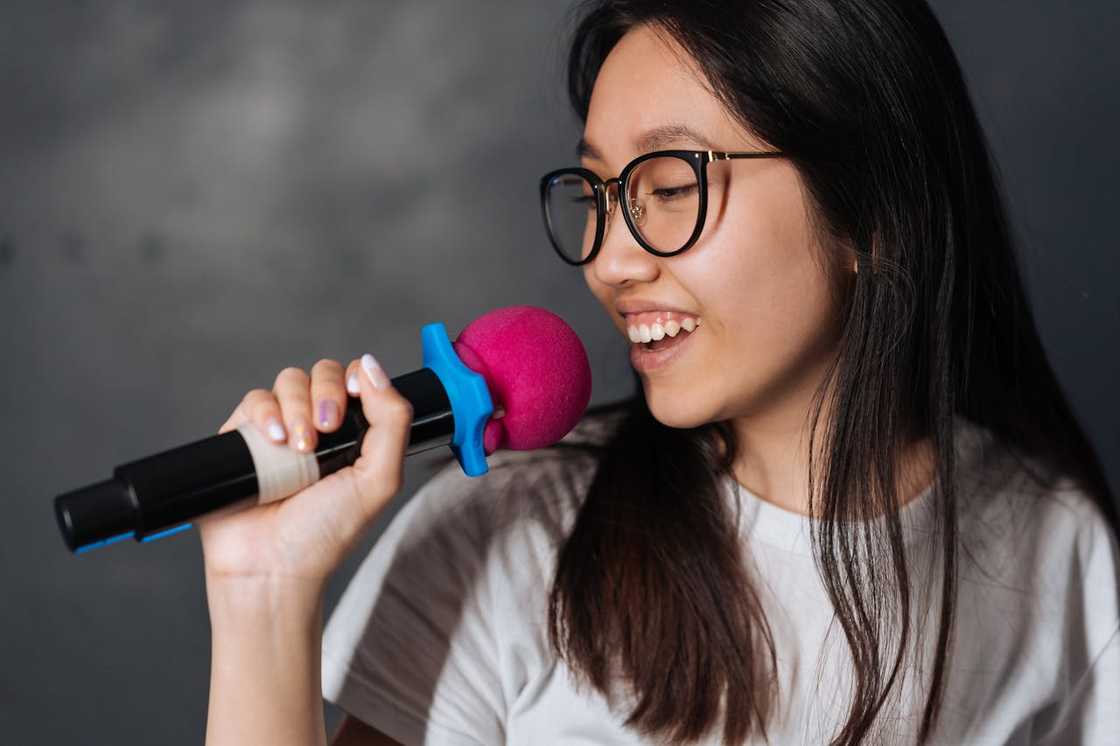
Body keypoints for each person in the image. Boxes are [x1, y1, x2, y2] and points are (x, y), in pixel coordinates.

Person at [200, 1, 1120, 744]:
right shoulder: (511, 533)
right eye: (599, 194)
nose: (610, 262)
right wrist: (259, 596)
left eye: (670, 189)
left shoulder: (1056, 545)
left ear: (872, 211)